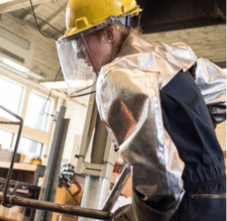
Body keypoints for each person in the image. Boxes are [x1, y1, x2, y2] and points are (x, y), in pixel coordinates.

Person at [56, 0, 227, 220]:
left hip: (186, 207)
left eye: (81, 41)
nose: (79, 53)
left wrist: (140, 214)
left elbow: (162, 179)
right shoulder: (171, 54)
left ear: (109, 34)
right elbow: (222, 93)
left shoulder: (116, 76)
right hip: (217, 197)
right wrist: (189, 129)